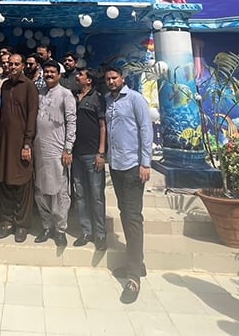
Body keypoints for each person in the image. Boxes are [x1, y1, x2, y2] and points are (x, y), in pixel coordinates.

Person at [104, 66, 153, 304]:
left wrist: (146, 162)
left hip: (134, 165)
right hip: (116, 164)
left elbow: (146, 129)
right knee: (126, 213)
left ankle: (133, 277)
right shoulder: (108, 101)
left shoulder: (135, 99)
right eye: (108, 79)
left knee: (133, 217)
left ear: (123, 78)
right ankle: (138, 262)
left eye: (115, 78)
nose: (111, 81)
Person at [0, 53, 39, 243]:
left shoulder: (29, 86)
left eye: (16, 64)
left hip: (22, 143)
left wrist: (27, 142)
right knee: (4, 182)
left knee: (22, 184)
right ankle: (6, 222)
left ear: (22, 66)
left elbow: (32, 116)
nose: (12, 67)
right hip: (4, 143)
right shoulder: (5, 85)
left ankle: (22, 225)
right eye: (10, 64)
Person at [32, 60, 76, 247]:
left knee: (59, 191)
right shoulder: (39, 94)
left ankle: (60, 229)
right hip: (39, 149)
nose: (49, 75)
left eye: (52, 72)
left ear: (59, 75)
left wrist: (68, 148)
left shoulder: (66, 94)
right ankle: (47, 226)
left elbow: (71, 122)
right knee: (40, 190)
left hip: (58, 150)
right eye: (46, 72)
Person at [71, 68, 107, 250]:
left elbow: (102, 126)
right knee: (80, 195)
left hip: (92, 155)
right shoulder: (73, 96)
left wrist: (101, 152)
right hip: (75, 154)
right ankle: (86, 231)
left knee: (96, 195)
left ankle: (100, 234)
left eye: (81, 75)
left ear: (89, 80)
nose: (77, 77)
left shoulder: (97, 98)